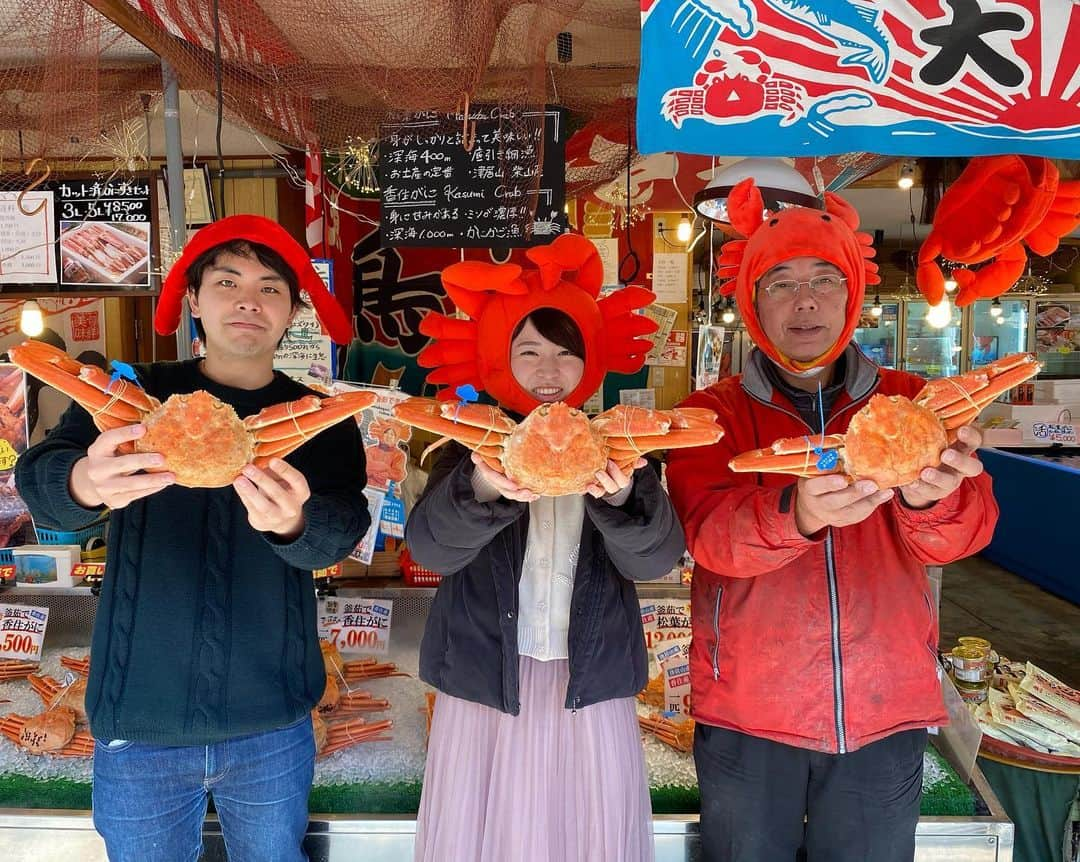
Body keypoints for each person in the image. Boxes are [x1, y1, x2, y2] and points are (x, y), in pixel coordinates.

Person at [15, 215, 368, 862]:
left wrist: (295, 524)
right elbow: (38, 481)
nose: (246, 300)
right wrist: (87, 481)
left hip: (273, 716)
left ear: (292, 311)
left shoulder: (318, 419)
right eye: (227, 281)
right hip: (141, 715)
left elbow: (342, 532)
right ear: (195, 301)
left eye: (269, 289)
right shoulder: (130, 395)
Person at [665, 180, 999, 862]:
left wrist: (930, 497)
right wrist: (797, 514)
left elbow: (964, 535)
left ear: (853, 294)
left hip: (886, 710)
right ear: (752, 301)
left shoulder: (917, 402)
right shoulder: (712, 415)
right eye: (780, 282)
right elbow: (706, 537)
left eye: (825, 278)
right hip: (750, 715)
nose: (805, 299)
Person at [407, 234, 684, 862]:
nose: (548, 371)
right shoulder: (464, 445)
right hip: (485, 688)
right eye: (527, 351)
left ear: (593, 361)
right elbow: (431, 552)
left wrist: (620, 504)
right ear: (500, 359)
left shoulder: (624, 450)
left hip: (589, 688)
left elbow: (656, 560)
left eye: (565, 353)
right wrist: (481, 486)